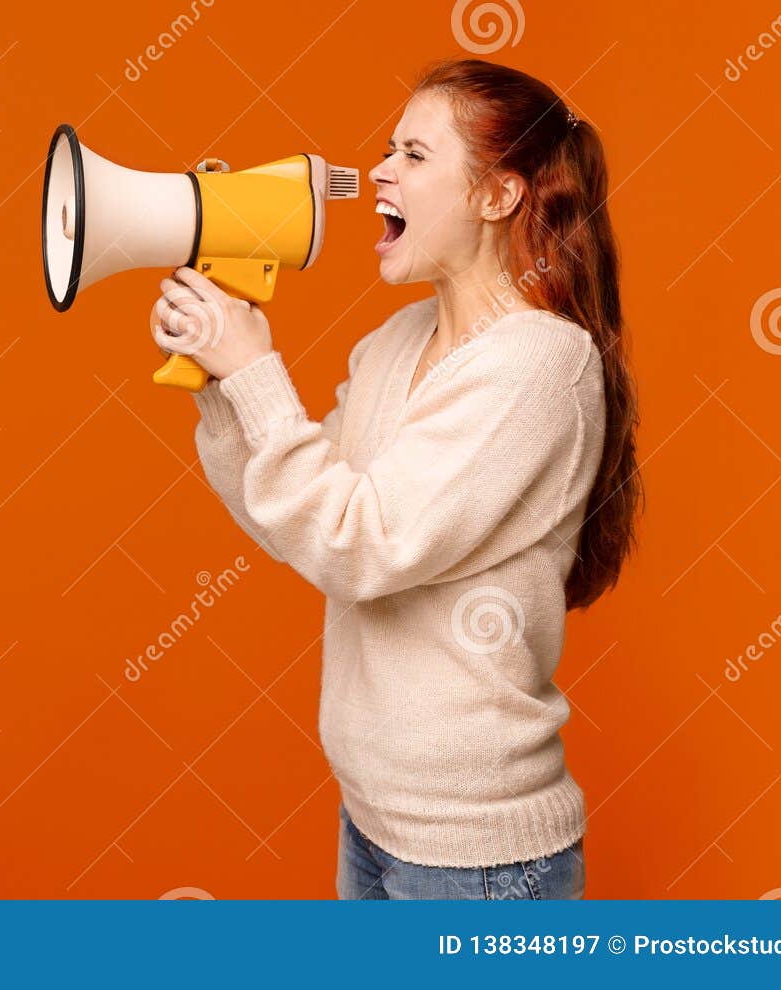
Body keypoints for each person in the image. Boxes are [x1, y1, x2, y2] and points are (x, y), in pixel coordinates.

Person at [151, 58, 643, 899]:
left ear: (499, 196)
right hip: (375, 819)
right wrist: (227, 391)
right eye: (388, 149)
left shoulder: (536, 365)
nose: (378, 171)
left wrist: (257, 371)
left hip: (475, 854)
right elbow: (301, 522)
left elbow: (360, 546)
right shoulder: (393, 344)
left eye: (414, 155)